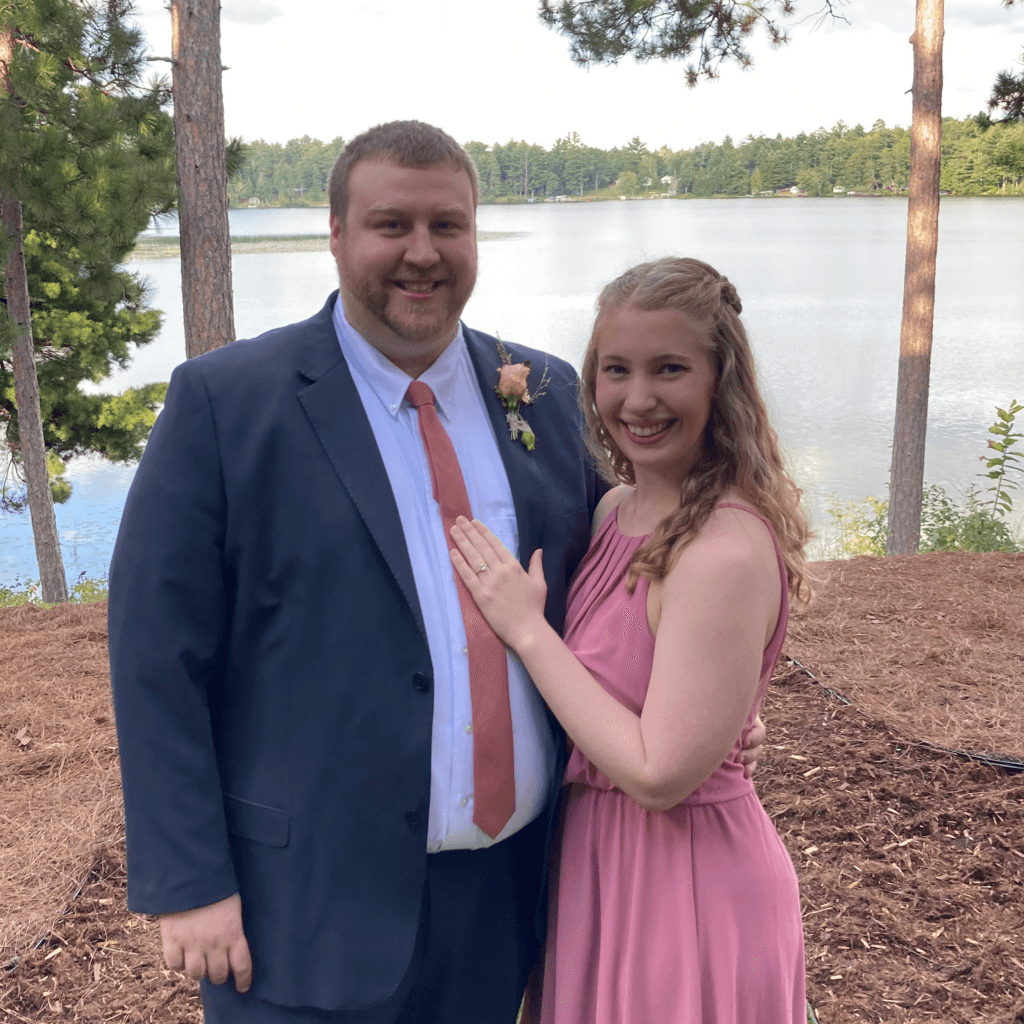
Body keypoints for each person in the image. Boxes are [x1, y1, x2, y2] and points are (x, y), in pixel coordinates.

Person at [107, 122, 767, 1024]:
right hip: (300, 910)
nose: (423, 254)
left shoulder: (545, 393)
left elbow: (614, 582)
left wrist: (711, 700)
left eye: (448, 227)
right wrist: (188, 881)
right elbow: (156, 657)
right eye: (392, 225)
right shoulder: (226, 406)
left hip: (509, 901)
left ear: (474, 237)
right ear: (336, 234)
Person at [449, 256, 810, 1023]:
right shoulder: (615, 510)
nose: (637, 399)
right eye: (616, 370)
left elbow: (658, 773)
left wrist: (525, 628)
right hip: (597, 866)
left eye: (669, 369)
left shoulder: (724, 549)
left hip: (687, 886)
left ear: (722, 381)